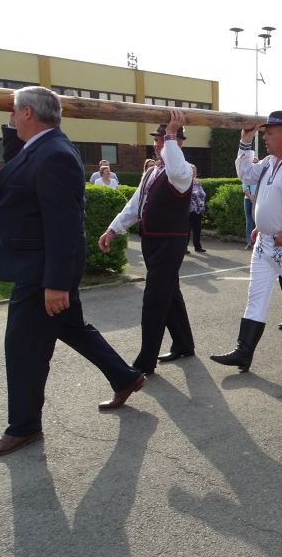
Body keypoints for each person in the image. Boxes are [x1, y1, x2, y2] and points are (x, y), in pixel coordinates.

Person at [0, 86, 144, 459]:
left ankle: (24, 427)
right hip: (41, 267)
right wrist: (10, 129)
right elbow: (16, 168)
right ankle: (126, 377)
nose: (11, 117)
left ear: (28, 114)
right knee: (71, 327)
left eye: (14, 111)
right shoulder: (40, 148)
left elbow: (64, 225)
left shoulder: (54, 155)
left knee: (23, 348)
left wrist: (55, 284)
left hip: (41, 272)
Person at [210, 111, 282, 371]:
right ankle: (243, 351)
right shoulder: (268, 162)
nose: (265, 137)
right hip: (264, 243)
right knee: (256, 294)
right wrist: (245, 142)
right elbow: (245, 174)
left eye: (269, 133)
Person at [98, 114, 196, 373]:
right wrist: (113, 229)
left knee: (155, 299)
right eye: (157, 139)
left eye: (165, 139)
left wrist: (172, 134)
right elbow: (135, 205)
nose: (158, 144)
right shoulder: (152, 172)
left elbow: (176, 170)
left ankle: (145, 361)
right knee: (169, 292)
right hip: (152, 241)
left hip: (170, 243)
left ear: (178, 142)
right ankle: (184, 343)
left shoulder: (183, 170)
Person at [187, 164, 206, 254]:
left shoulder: (198, 182)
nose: (194, 172)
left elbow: (202, 194)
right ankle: (184, 248)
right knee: (187, 229)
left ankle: (197, 246)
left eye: (195, 171)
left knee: (197, 229)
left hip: (198, 209)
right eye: (192, 170)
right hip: (189, 210)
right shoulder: (185, 182)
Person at [242, 164, 258, 250]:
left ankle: (257, 242)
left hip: (258, 199)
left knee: (258, 220)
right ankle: (249, 242)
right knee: (249, 220)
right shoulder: (246, 175)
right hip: (248, 199)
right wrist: (251, 197)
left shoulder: (260, 174)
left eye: (256, 162)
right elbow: (245, 188)